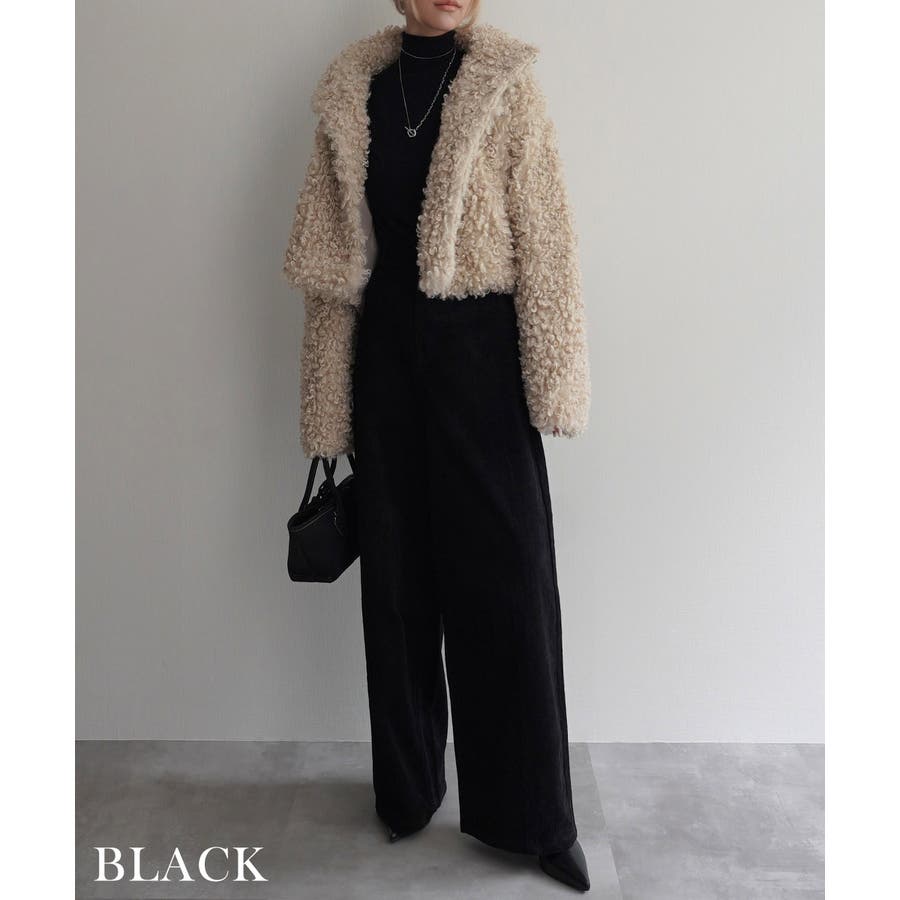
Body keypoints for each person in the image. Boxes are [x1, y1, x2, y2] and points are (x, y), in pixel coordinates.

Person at [283, 0, 591, 891]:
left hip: (482, 359)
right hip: (386, 363)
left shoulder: (507, 82)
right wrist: (328, 403)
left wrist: (556, 380)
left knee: (509, 586)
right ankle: (408, 793)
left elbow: (547, 236)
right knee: (397, 587)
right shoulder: (354, 89)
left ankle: (535, 818)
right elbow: (328, 261)